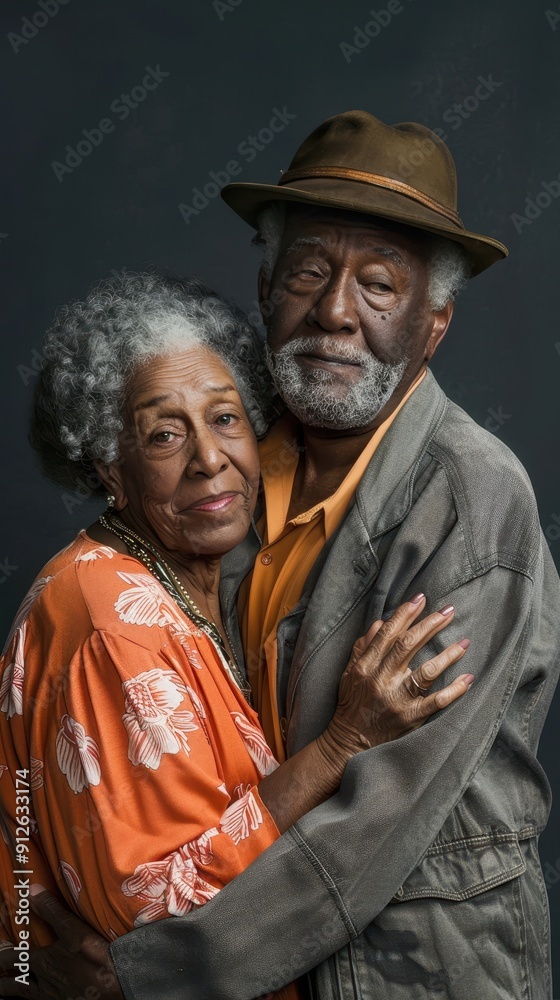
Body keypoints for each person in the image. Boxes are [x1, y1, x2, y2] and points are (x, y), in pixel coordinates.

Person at [3, 110, 559, 1000]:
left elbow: (377, 819)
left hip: (413, 975)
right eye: (308, 271)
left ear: (435, 324)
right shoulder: (227, 473)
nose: (336, 311)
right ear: (266, 289)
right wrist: (28, 947)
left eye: (380, 284)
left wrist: (145, 978)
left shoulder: (473, 502)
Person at [0, 271, 471, 998]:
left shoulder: (188, 586)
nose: (209, 458)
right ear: (109, 470)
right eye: (164, 434)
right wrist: (344, 744)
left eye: (225, 419)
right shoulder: (109, 616)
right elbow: (168, 913)